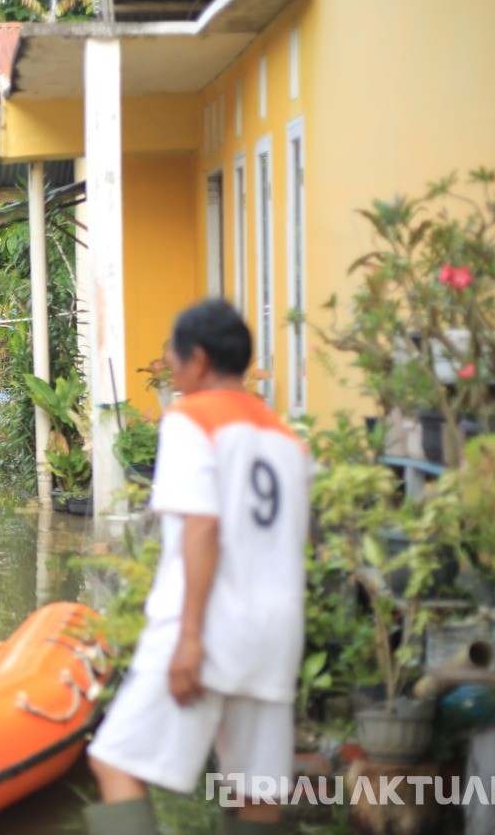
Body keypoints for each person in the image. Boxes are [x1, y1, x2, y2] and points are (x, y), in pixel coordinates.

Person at [85, 300, 311, 835]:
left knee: (114, 759)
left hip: (205, 626)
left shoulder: (191, 418)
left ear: (200, 359)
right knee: (256, 792)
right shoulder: (288, 441)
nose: (169, 363)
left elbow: (202, 527)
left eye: (175, 353)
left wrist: (189, 637)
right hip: (275, 635)